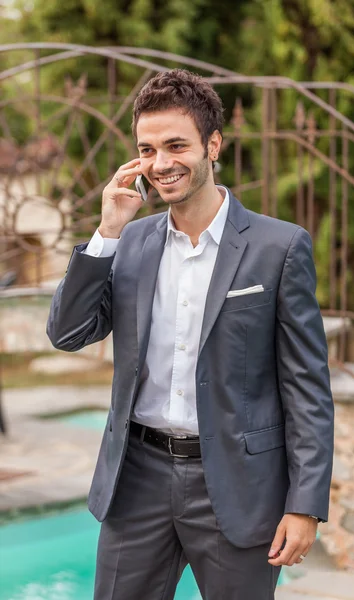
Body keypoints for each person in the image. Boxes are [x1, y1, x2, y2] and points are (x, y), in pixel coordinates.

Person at [47, 69, 334, 600]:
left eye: (176, 145)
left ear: (213, 145)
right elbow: (67, 333)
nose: (160, 164)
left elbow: (307, 387)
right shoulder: (129, 242)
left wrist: (304, 503)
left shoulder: (280, 247)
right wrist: (107, 231)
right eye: (147, 149)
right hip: (137, 481)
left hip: (238, 487)